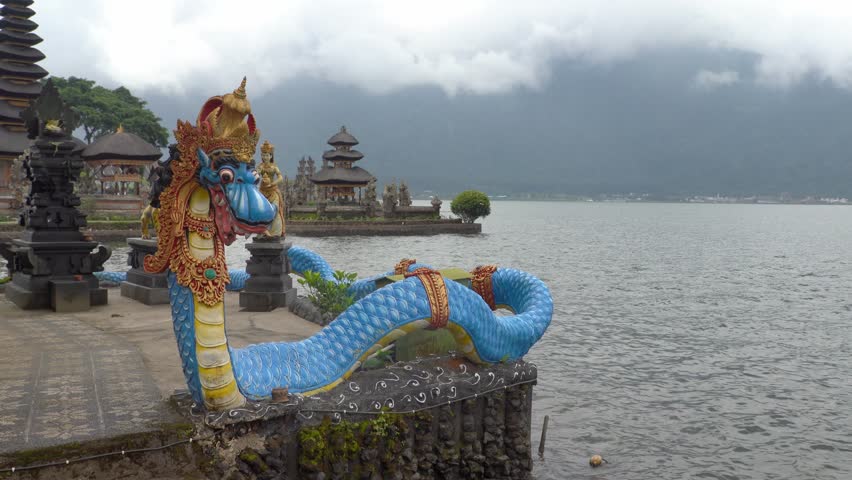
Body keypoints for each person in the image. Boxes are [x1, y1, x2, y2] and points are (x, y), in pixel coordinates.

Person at [258, 140, 286, 237]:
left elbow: (280, 177)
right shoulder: (260, 166)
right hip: (262, 191)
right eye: (263, 155)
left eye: (267, 155)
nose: (265, 157)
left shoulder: (274, 167)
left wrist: (272, 184)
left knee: (275, 210)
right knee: (260, 210)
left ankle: (275, 232)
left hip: (273, 191)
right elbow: (256, 175)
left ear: (270, 156)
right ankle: (262, 231)